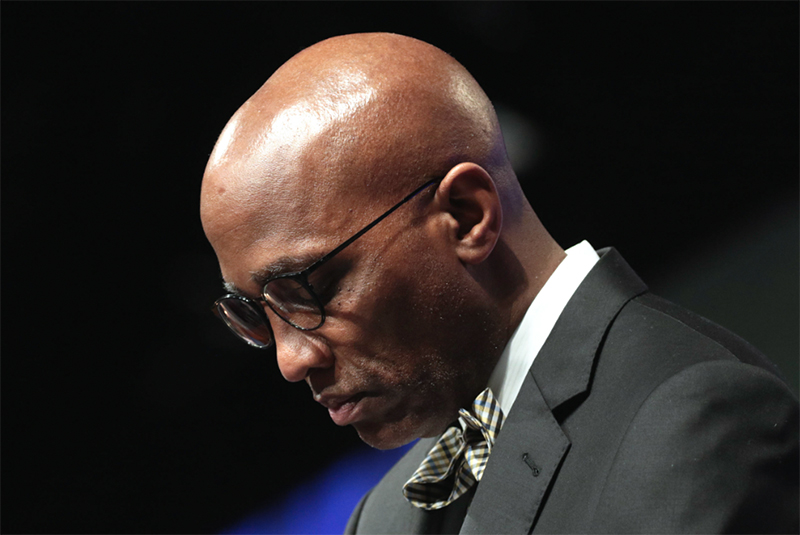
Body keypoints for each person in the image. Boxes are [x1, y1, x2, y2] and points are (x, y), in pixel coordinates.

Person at [199, 33, 798, 534]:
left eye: (311, 290)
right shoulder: (384, 516)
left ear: (466, 216)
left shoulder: (690, 426)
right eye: (253, 313)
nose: (291, 359)